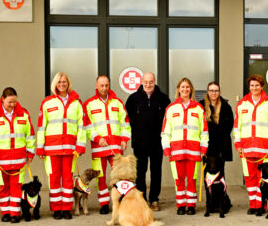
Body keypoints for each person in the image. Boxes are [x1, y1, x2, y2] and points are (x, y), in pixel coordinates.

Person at [0, 87, 36, 223]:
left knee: (17, 187)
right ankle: (5, 212)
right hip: (0, 161)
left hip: (19, 160)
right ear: (2, 99)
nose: (12, 105)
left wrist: (30, 152)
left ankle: (14, 213)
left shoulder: (24, 114)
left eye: (14, 102)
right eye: (9, 102)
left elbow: (30, 136)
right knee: (2, 187)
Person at [37, 72, 87, 220]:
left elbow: (81, 126)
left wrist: (80, 146)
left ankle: (66, 208)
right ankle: (56, 209)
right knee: (53, 179)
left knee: (67, 179)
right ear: (55, 84)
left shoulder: (77, 103)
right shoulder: (47, 102)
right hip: (51, 149)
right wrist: (40, 148)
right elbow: (41, 127)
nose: (62, 84)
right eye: (59, 82)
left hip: (70, 149)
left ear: (68, 83)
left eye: (64, 81)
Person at [233, 74, 268, 215]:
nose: (254, 88)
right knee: (249, 178)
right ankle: (253, 204)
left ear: (262, 87)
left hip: (265, 150)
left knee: (263, 179)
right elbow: (237, 128)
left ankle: (261, 205)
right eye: (252, 85)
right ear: (249, 87)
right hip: (246, 149)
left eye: (257, 85)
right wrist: (238, 145)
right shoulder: (242, 104)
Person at [84, 75, 131, 214]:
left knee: (119, 175)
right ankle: (104, 203)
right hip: (99, 147)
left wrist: (124, 139)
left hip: (116, 146)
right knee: (101, 176)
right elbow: (87, 126)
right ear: (96, 86)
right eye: (102, 85)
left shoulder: (118, 103)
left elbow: (125, 123)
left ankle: (120, 201)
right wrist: (97, 138)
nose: (104, 88)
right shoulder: (89, 104)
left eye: (107, 85)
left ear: (109, 85)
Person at [162, 78, 209, 215]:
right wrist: (166, 148)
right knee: (179, 180)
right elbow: (165, 131)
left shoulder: (198, 108)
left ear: (191, 89)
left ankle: (191, 205)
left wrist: (203, 148)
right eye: (182, 87)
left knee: (192, 180)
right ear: (178, 89)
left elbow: (204, 131)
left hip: (194, 151)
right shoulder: (171, 108)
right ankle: (181, 205)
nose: (185, 90)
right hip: (176, 151)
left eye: (187, 87)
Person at [125, 72, 170, 211]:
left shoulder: (163, 98)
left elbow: (168, 120)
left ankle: (154, 199)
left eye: (151, 82)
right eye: (146, 82)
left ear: (154, 81)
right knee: (140, 172)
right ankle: (141, 199)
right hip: (140, 143)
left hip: (158, 143)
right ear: (142, 81)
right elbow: (127, 121)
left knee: (156, 172)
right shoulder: (133, 99)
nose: (148, 84)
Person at [201, 81, 234, 175]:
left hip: (221, 146)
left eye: (216, 90)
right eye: (211, 90)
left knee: (220, 173)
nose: (214, 93)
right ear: (207, 92)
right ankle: (209, 190)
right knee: (207, 173)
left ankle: (221, 190)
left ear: (219, 92)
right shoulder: (201, 105)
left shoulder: (225, 106)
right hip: (207, 145)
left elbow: (229, 126)